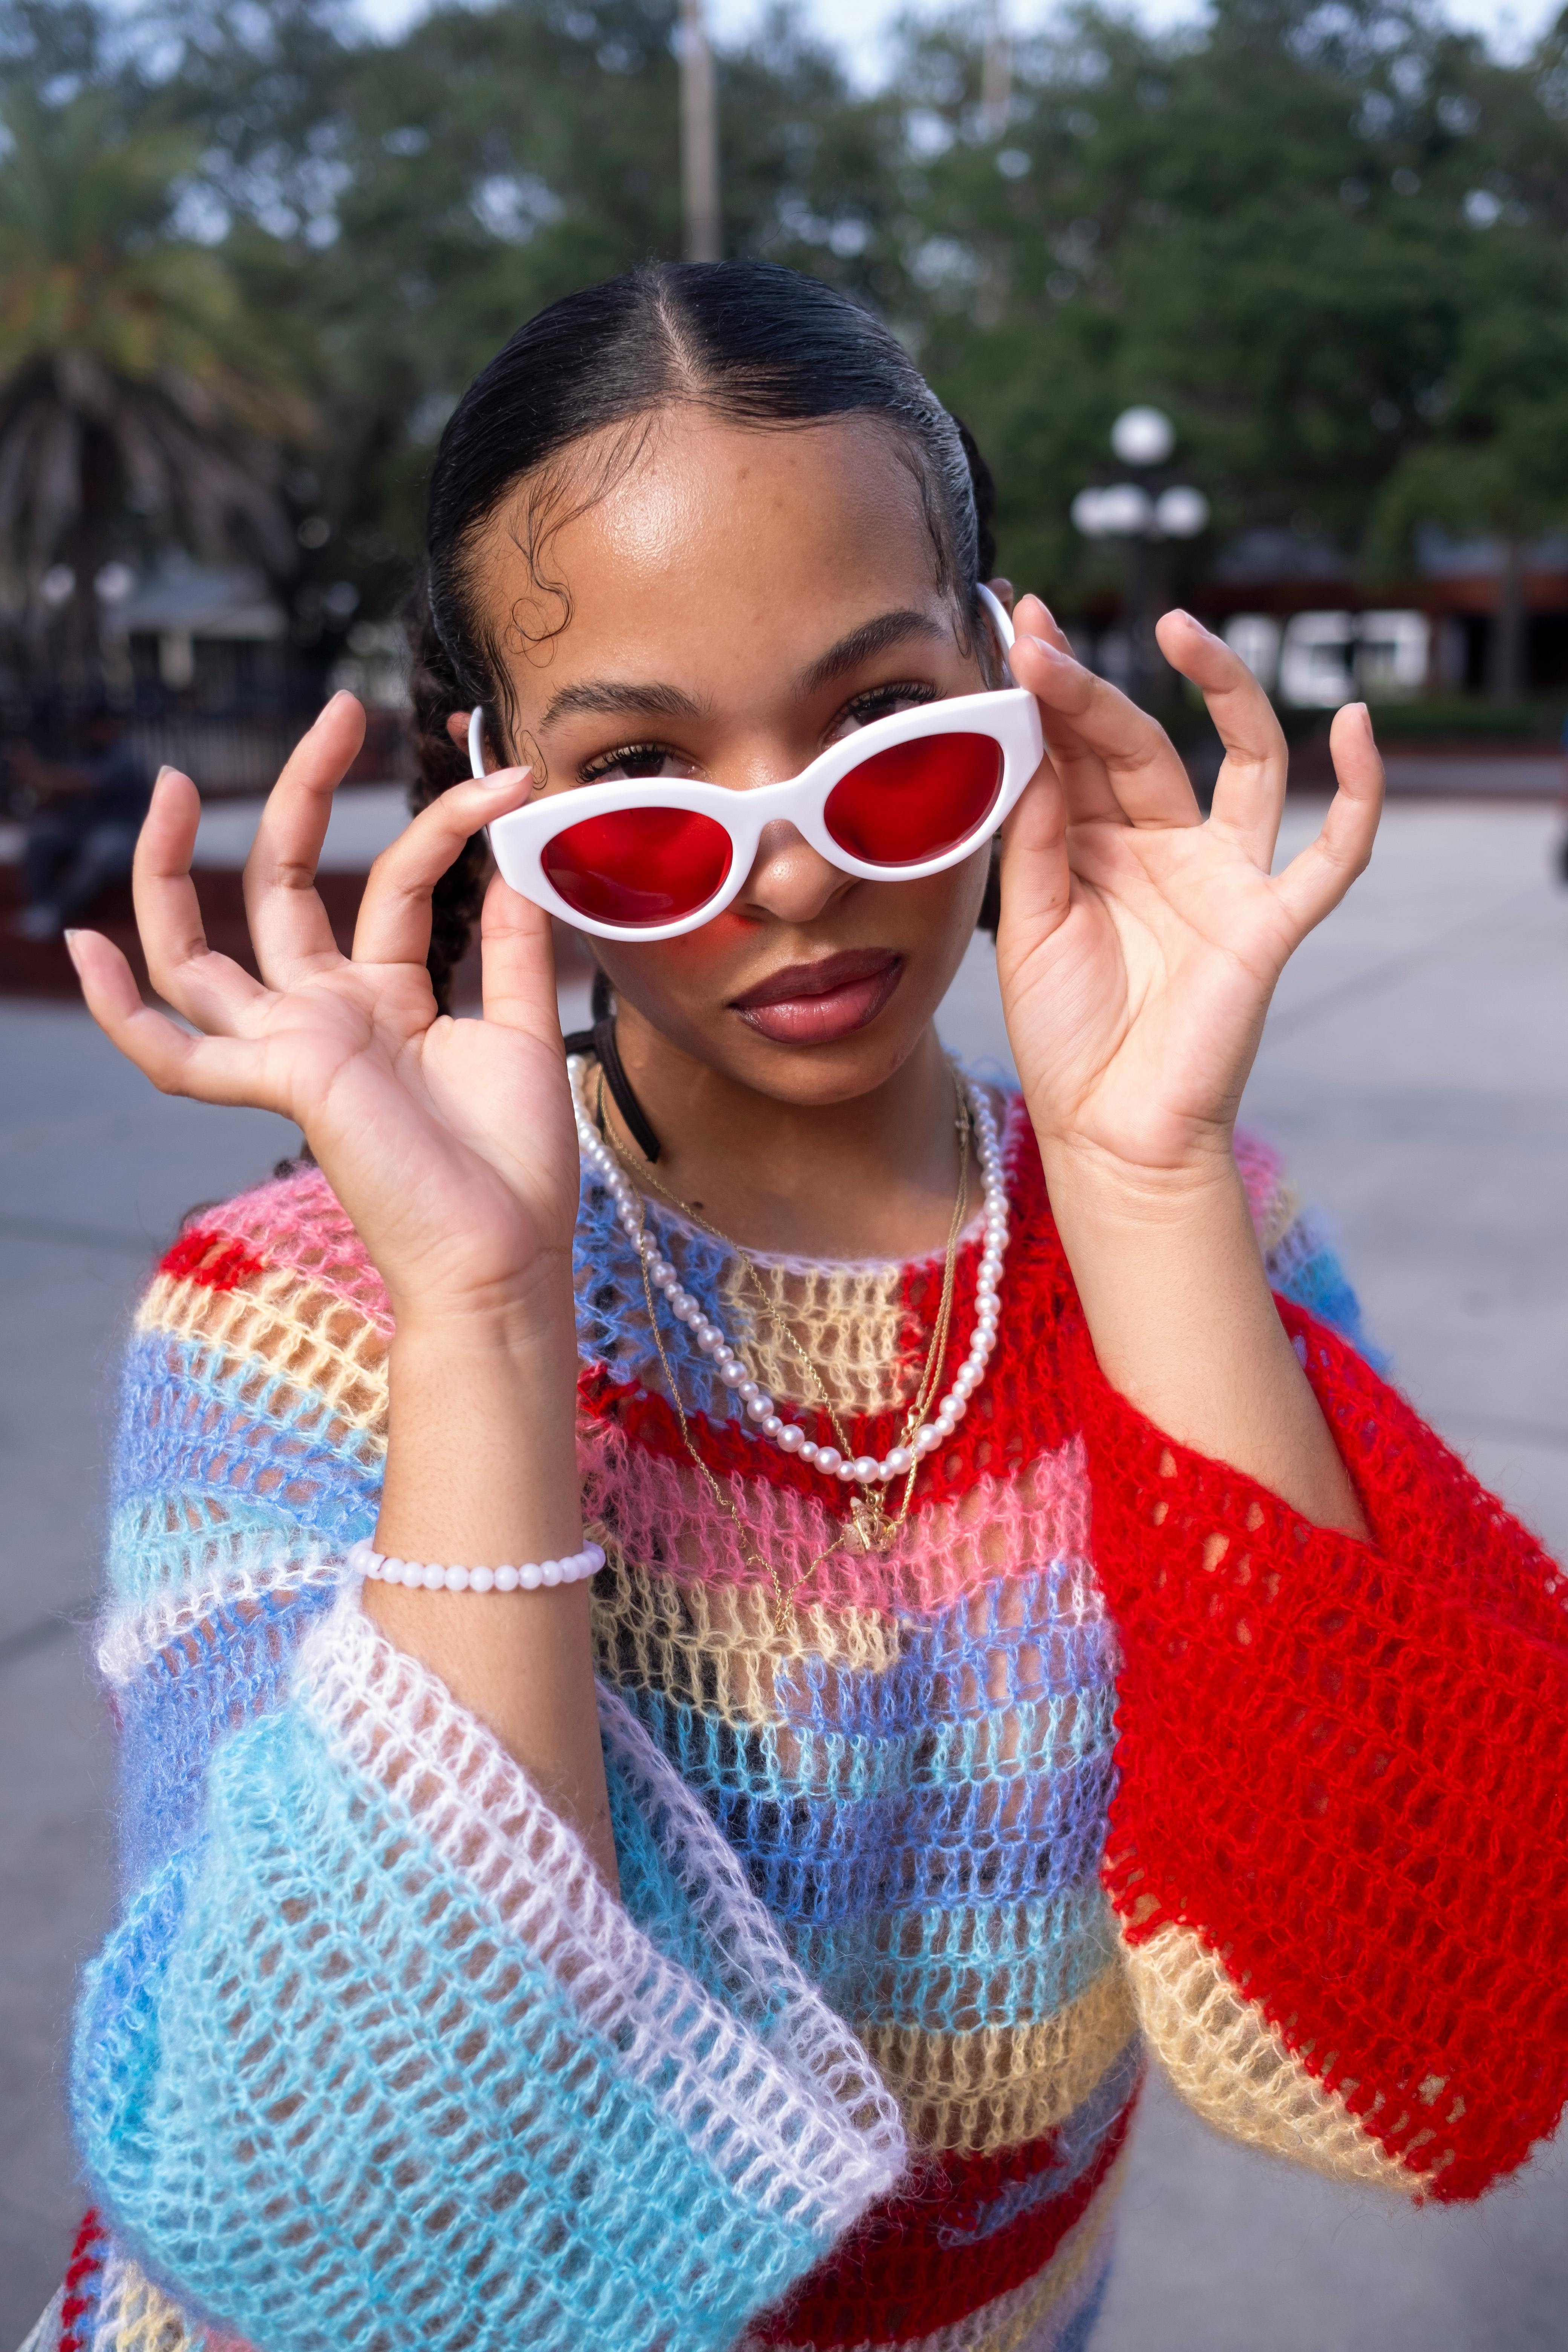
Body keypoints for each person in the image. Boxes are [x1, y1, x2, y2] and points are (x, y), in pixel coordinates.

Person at [40, 265, 1568, 2352]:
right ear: (503, 797)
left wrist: (1136, 1188)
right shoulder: (304, 1316)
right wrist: (483, 1320)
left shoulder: (1214, 1247)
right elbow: (347, 2253)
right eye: (646, 782)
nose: (788, 876)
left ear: (1008, 674)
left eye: (881, 737)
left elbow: (1402, 2052)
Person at [10, 707, 152, 942]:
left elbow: (86, 783)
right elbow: (58, 797)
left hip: (124, 834)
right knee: (42, 837)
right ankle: (40, 907)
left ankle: (58, 912)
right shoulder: (83, 754)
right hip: (83, 830)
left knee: (102, 849)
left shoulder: (125, 758)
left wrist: (37, 772)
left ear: (107, 727)